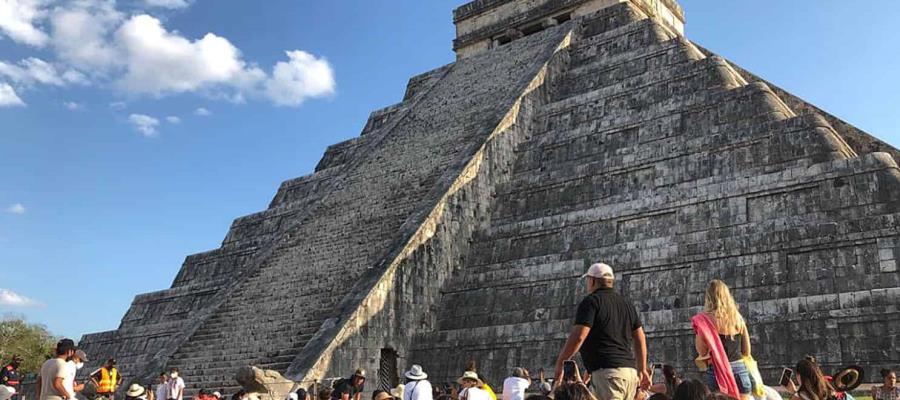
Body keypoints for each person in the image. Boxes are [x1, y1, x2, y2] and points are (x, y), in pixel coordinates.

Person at [554, 263, 649, 400]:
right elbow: (640, 338)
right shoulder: (627, 304)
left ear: (592, 280)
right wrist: (642, 369)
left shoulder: (591, 302)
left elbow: (579, 336)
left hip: (608, 375)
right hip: (629, 374)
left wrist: (561, 361)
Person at [692, 280, 752, 400]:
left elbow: (702, 352)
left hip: (717, 373)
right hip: (740, 372)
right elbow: (746, 351)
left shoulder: (704, 320)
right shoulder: (737, 317)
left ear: (708, 297)